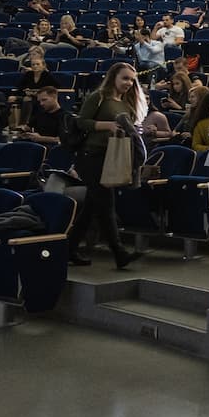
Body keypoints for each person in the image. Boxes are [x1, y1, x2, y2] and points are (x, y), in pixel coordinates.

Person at [70, 63, 146, 269]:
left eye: (132, 80)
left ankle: (69, 247)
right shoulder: (99, 96)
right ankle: (119, 253)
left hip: (110, 157)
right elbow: (81, 122)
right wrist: (108, 126)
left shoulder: (127, 103)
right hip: (91, 156)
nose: (129, 83)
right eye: (125, 78)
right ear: (113, 77)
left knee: (92, 207)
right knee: (107, 205)